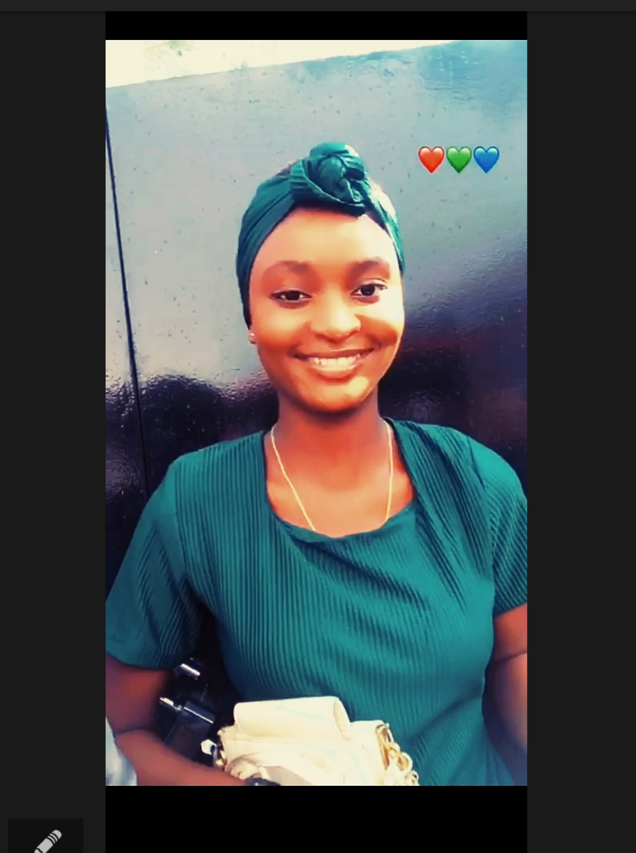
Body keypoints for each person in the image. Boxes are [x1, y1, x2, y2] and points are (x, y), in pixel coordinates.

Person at [105, 142, 527, 786]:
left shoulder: (476, 482)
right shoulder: (197, 502)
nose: (335, 323)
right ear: (251, 316)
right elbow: (125, 731)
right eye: (293, 294)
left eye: (368, 288)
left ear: (400, 301)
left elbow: (518, 654)